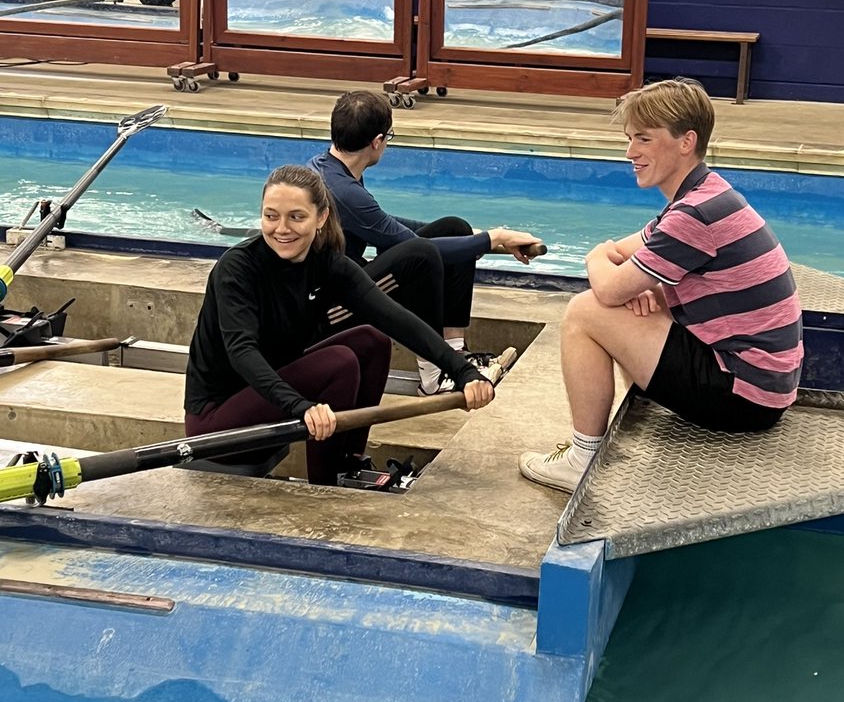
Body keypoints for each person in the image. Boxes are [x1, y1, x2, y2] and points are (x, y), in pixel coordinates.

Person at [519, 78, 803, 493]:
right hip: (762, 387)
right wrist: (642, 285)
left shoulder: (694, 214)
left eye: (644, 139)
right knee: (638, 297)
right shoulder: (705, 196)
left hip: (744, 395)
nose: (631, 152)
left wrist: (595, 257)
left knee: (585, 312)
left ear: (686, 141)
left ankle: (581, 460)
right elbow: (626, 252)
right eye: (630, 138)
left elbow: (610, 286)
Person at [184, 164, 493, 486]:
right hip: (216, 425)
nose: (282, 228)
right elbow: (241, 351)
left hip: (270, 403)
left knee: (372, 341)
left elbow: (395, 318)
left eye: (296, 217)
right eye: (271, 216)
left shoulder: (326, 263)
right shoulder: (237, 268)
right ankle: (327, 484)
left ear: (320, 218)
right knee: (339, 362)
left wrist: (463, 372)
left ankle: (349, 465)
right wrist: (301, 407)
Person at [308, 91, 542, 395]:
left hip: (348, 280)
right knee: (421, 256)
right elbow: (418, 248)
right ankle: (433, 376)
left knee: (455, 229)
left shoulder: (329, 167)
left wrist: (481, 237)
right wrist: (492, 238)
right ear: (377, 141)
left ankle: (454, 353)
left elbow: (388, 227)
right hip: (331, 308)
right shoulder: (344, 192)